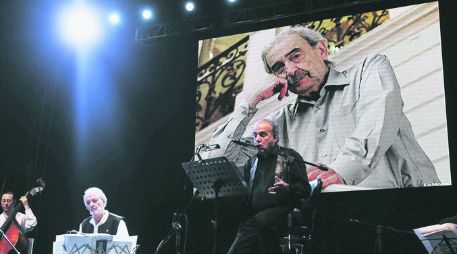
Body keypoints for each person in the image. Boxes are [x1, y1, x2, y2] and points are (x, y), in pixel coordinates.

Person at [210, 26, 441, 189]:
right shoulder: (278, 123)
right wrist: (249, 102)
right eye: (279, 67)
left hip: (405, 211)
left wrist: (340, 171)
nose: (290, 70)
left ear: (321, 50)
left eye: (296, 56)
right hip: (327, 226)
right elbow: (219, 164)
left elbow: (378, 120)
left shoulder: (369, 70)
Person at [228, 119, 310, 254]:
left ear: (276, 138)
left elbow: (305, 190)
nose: (257, 139)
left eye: (263, 134)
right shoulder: (251, 162)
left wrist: (287, 187)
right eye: (255, 136)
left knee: (256, 224)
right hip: (257, 215)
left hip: (284, 210)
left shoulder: (289, 156)